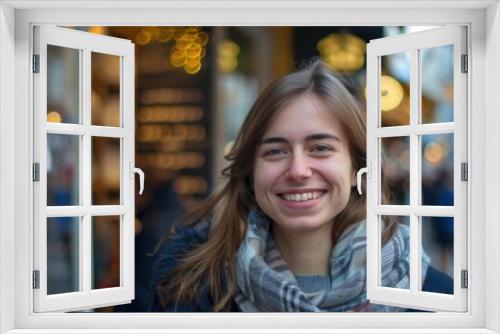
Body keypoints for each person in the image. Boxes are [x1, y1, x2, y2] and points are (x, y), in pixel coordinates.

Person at [149, 61, 452, 312]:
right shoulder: (186, 287)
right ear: (250, 171)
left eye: (320, 147)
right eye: (275, 151)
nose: (297, 170)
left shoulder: (433, 298)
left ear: (357, 167)